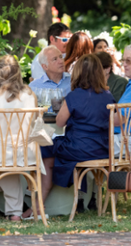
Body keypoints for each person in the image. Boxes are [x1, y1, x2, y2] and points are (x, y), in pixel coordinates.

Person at [29, 54, 116, 219]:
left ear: (77, 74)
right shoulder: (107, 96)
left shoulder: (74, 96)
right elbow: (117, 120)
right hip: (102, 150)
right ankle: (73, 198)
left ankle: (39, 201)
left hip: (78, 149)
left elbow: (60, 122)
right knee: (51, 147)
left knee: (43, 147)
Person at [0, 55, 37, 222]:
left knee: (2, 160)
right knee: (10, 161)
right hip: (27, 153)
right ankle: (15, 211)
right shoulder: (30, 95)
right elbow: (35, 127)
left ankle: (12, 210)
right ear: (18, 73)